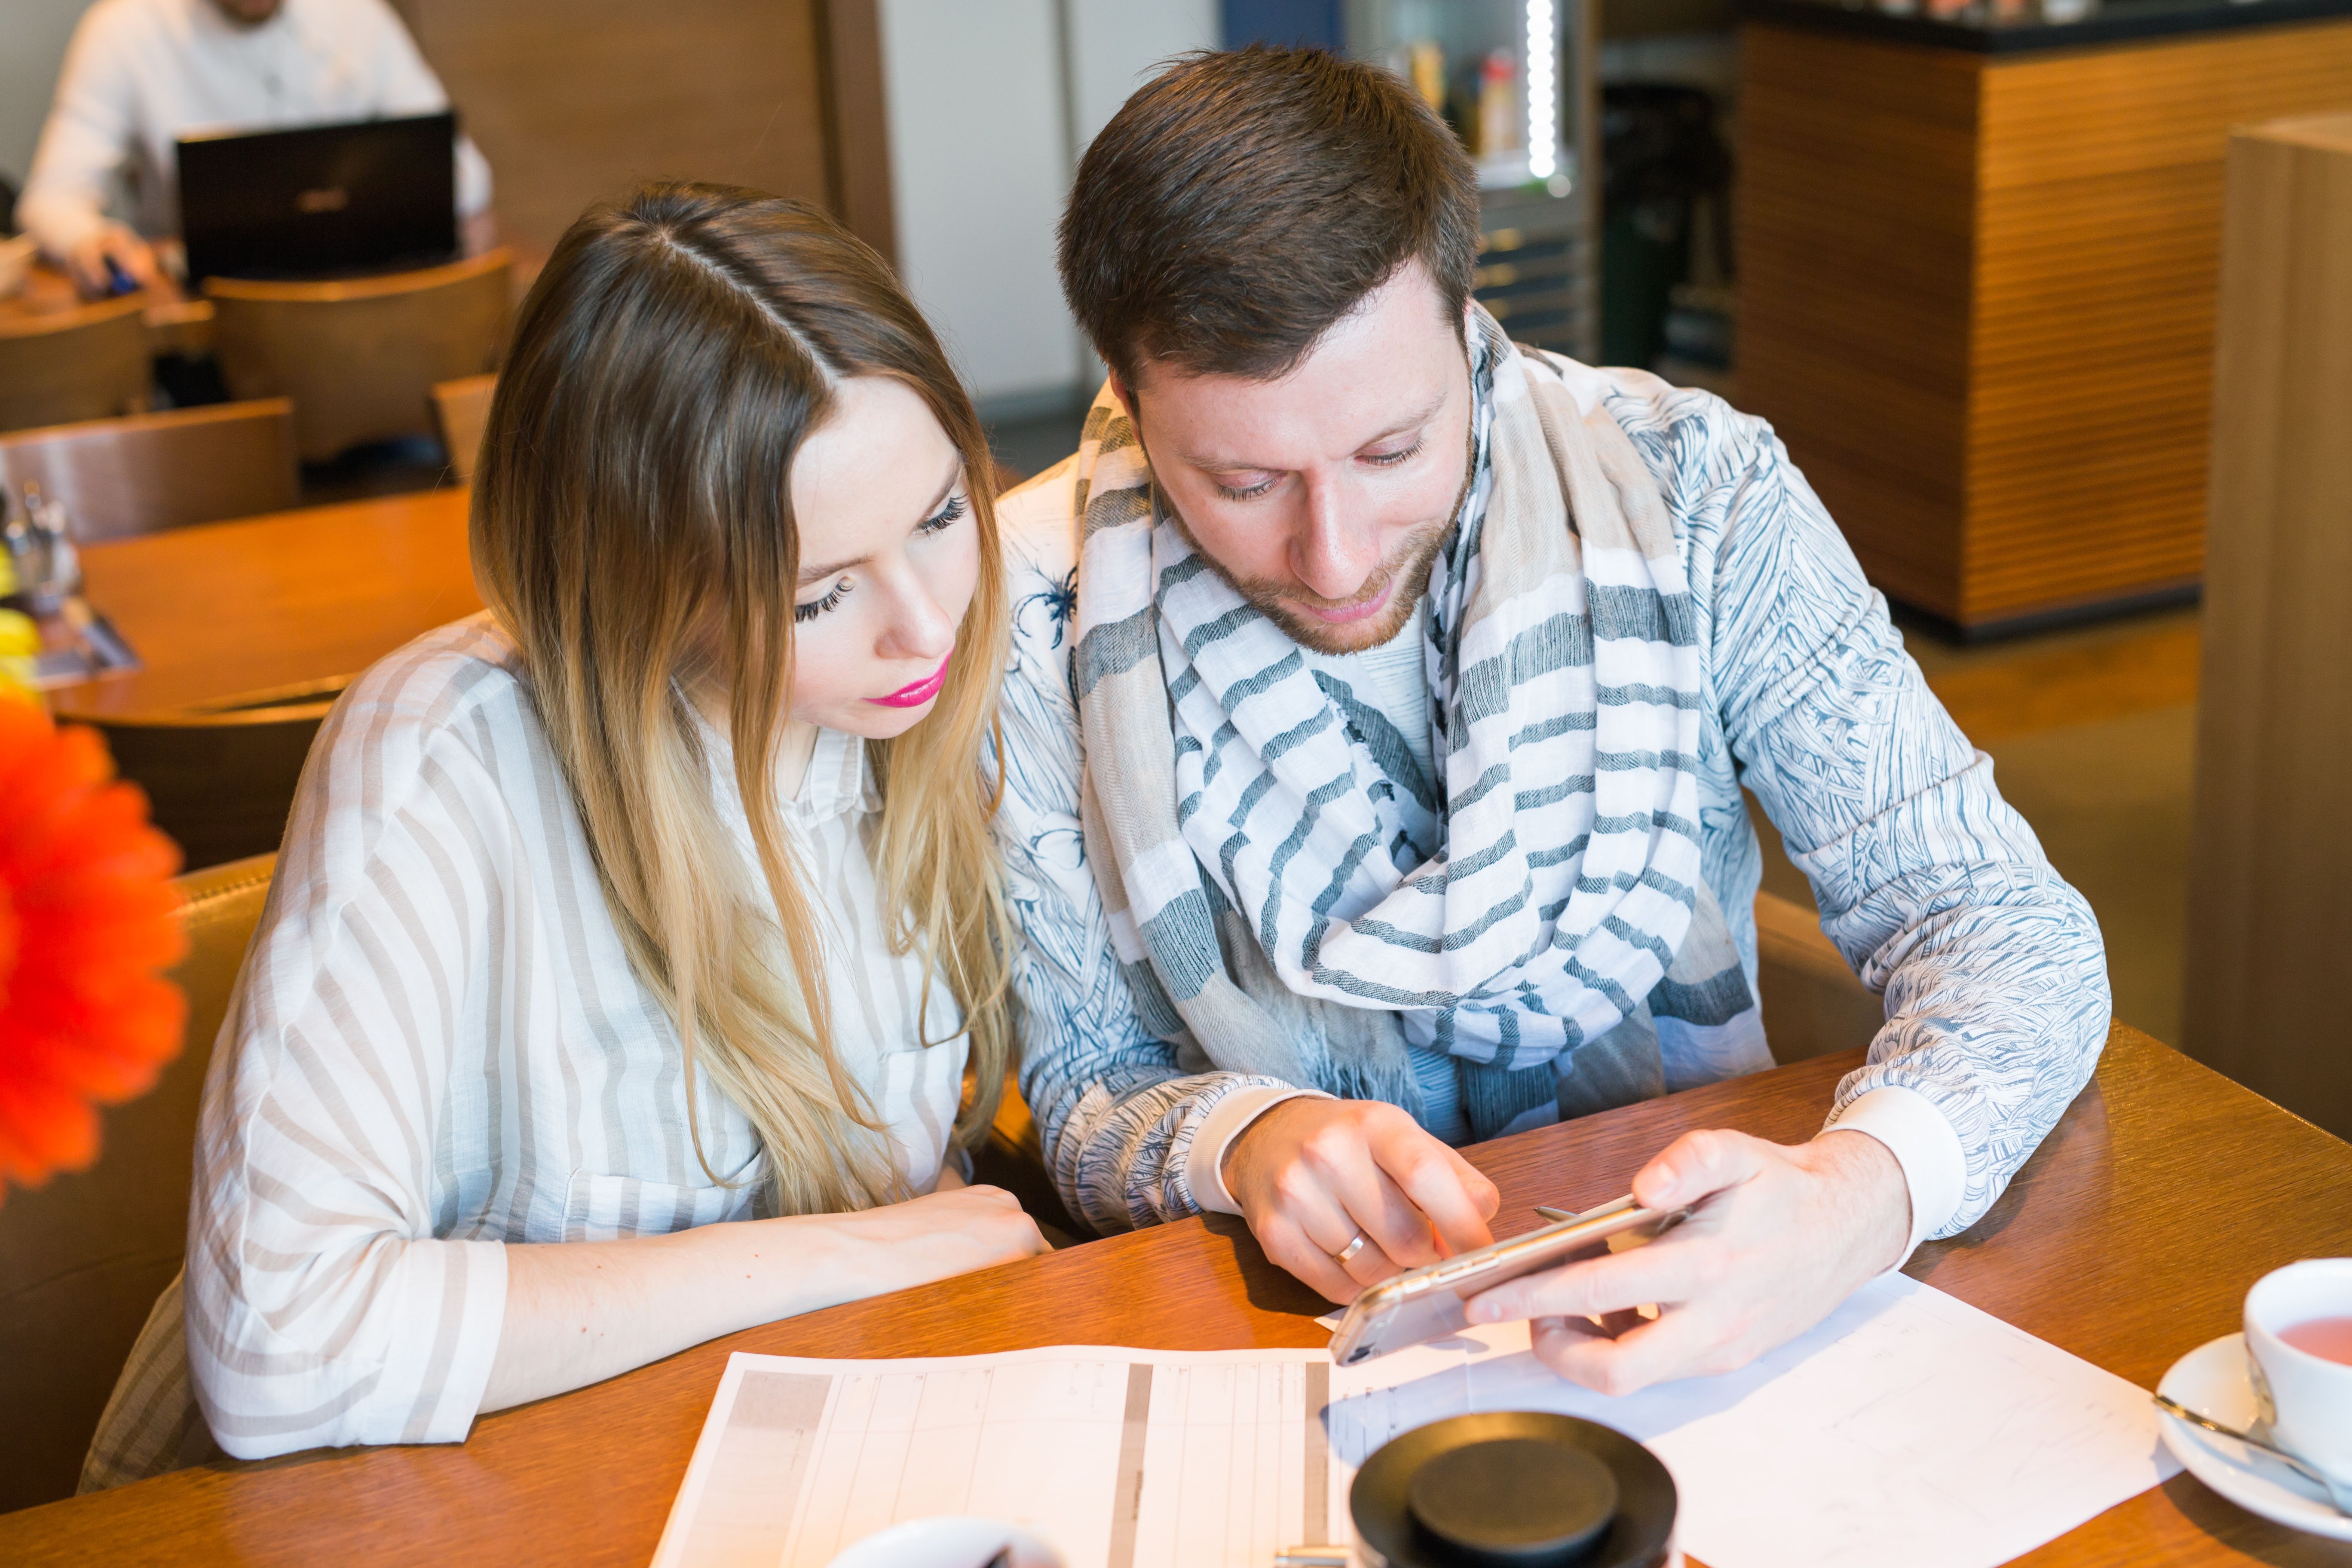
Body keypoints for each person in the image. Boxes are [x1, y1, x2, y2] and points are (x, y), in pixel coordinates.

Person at [992, 47, 2111, 1395]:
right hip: (1306, 1359)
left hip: (1706, 1289)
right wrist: (1243, 1138)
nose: (1334, 556)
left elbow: (2005, 924)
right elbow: (1082, 1080)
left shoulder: (1695, 494)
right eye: (1240, 481)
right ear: (1123, 393)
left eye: (1393, 450)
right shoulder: (1029, 615)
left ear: (1467, 325)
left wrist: (1858, 1195)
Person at [80, 182, 1046, 1489]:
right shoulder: (447, 754)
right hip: (393, 1509)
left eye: (940, 516)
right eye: (818, 594)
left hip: (743, 1465)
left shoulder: (918, 703)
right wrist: (857, 1248)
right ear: (647, 582)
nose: (925, 626)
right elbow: (276, 1348)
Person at [17, 0, 494, 297]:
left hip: (363, 302)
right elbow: (52, 197)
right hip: (210, 326)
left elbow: (466, 177)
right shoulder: (123, 30)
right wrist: (91, 240)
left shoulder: (356, 14)